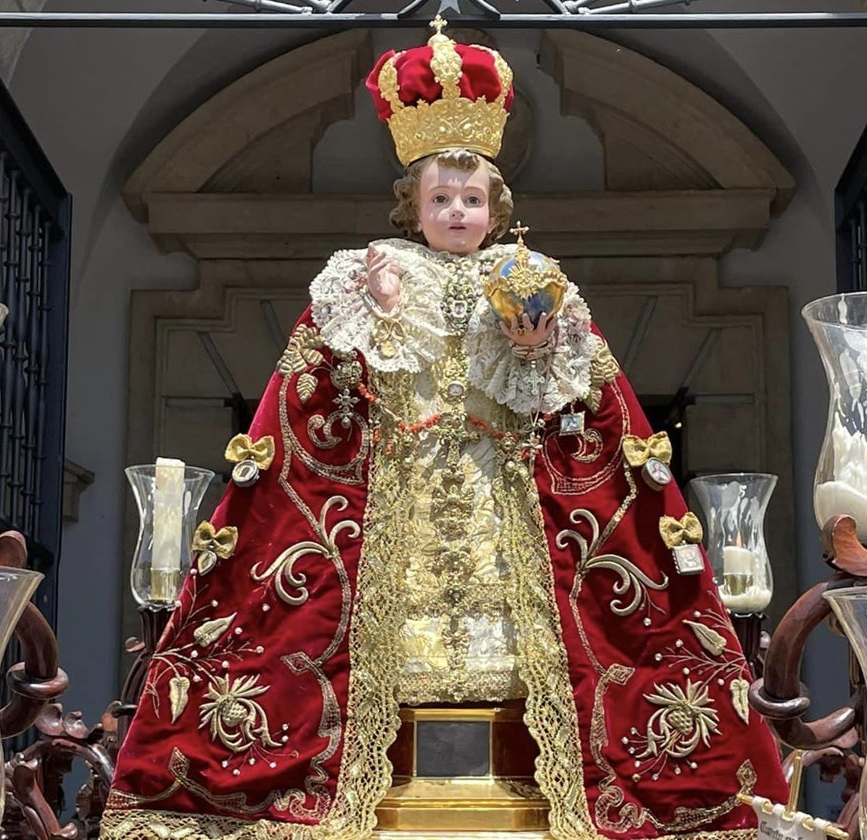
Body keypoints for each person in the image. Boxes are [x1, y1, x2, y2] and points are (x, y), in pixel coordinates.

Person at [102, 19, 788, 840]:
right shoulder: (370, 277)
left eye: (471, 199)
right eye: (440, 200)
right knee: (388, 610)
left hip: (506, 488)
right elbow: (321, 392)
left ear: (495, 209)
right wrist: (378, 323)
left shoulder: (532, 278)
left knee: (517, 611)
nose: (457, 212)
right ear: (412, 207)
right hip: (404, 481)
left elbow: (584, 407)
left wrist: (541, 345)